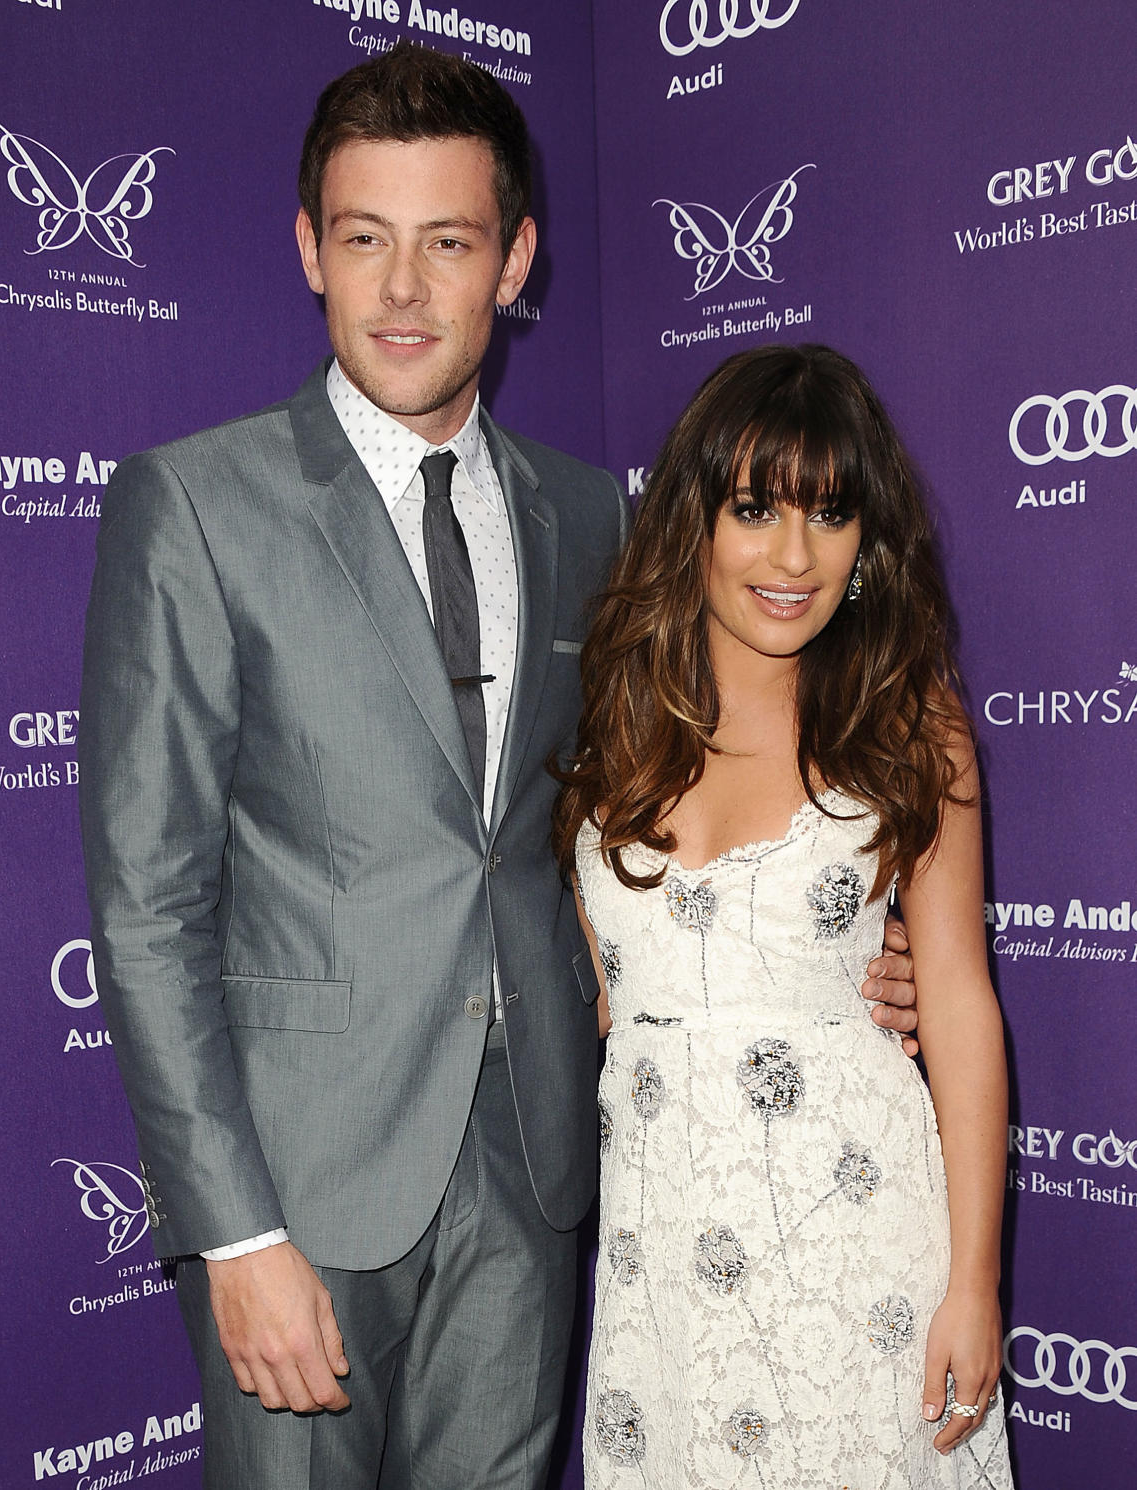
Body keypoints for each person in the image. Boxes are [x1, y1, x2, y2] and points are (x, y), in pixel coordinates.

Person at [78, 46, 919, 1490]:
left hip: (537, 1159)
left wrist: (841, 940)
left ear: (514, 259)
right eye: (364, 240)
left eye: (448, 243)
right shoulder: (196, 506)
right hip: (300, 1186)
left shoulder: (590, 514)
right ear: (308, 250)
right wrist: (233, 1232)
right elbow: (149, 899)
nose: (403, 291)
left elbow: (679, 779)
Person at [555, 344, 1013, 1488]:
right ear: (693, 521)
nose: (793, 555)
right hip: (662, 1267)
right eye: (755, 507)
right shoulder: (613, 721)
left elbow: (956, 998)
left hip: (854, 1253)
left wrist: (973, 1279)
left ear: (869, 545)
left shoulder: (911, 727)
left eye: (831, 513)